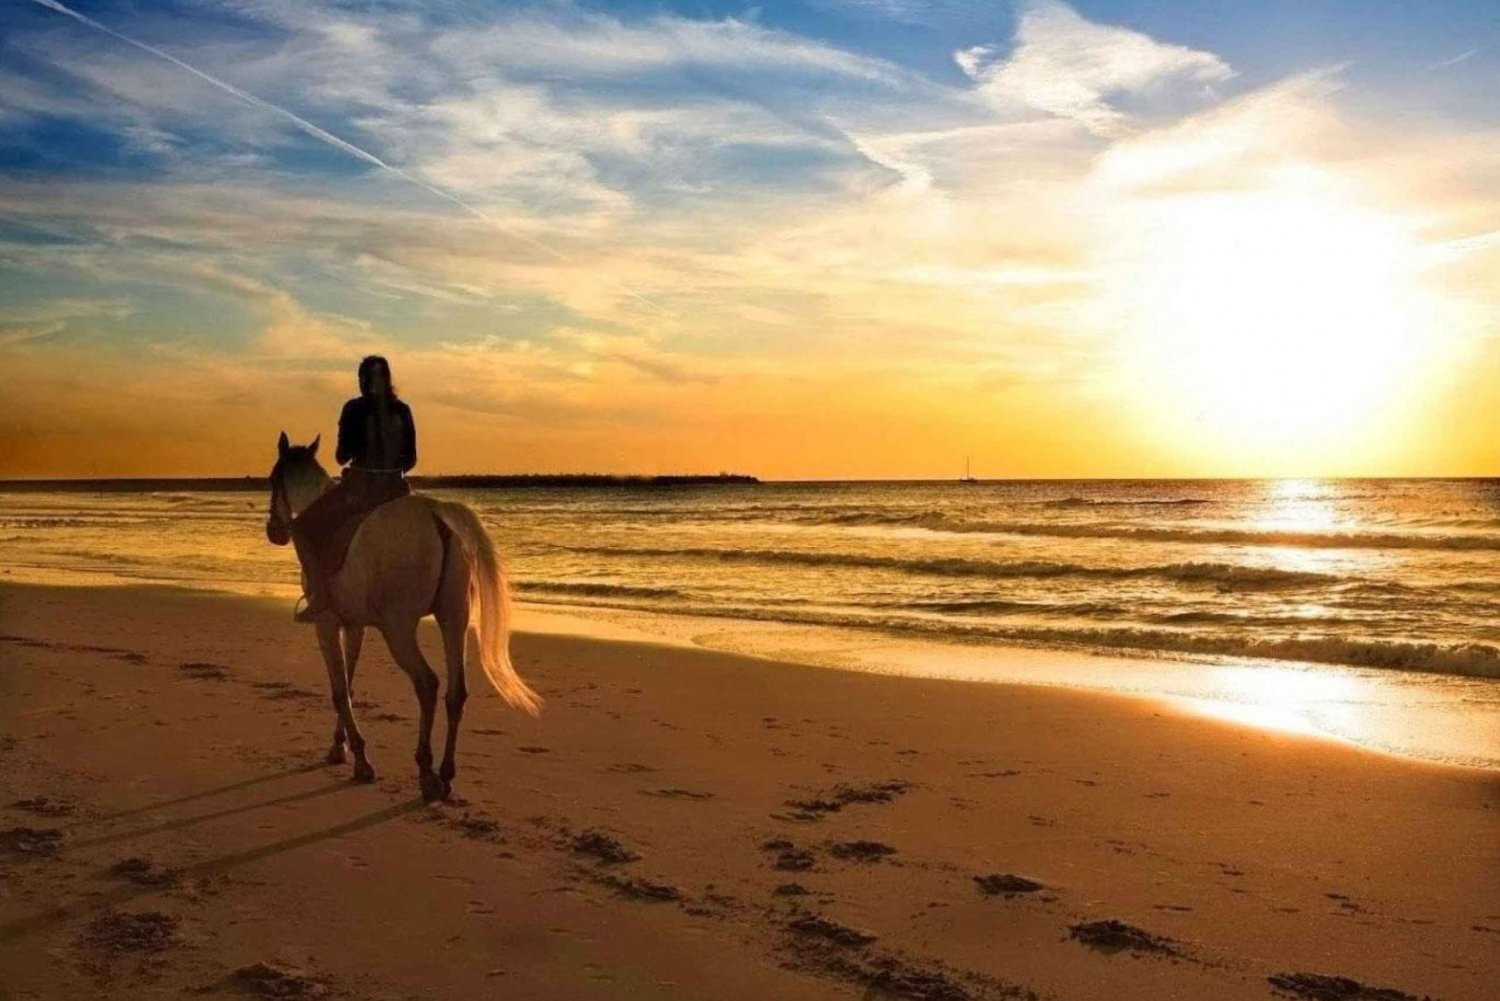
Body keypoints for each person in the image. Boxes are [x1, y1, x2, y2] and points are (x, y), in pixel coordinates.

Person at [290, 355, 417, 622]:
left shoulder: (353, 409)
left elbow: (341, 457)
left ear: (362, 381)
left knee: (301, 528)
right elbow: (411, 460)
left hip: (360, 491)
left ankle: (321, 594)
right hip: (397, 490)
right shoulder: (403, 410)